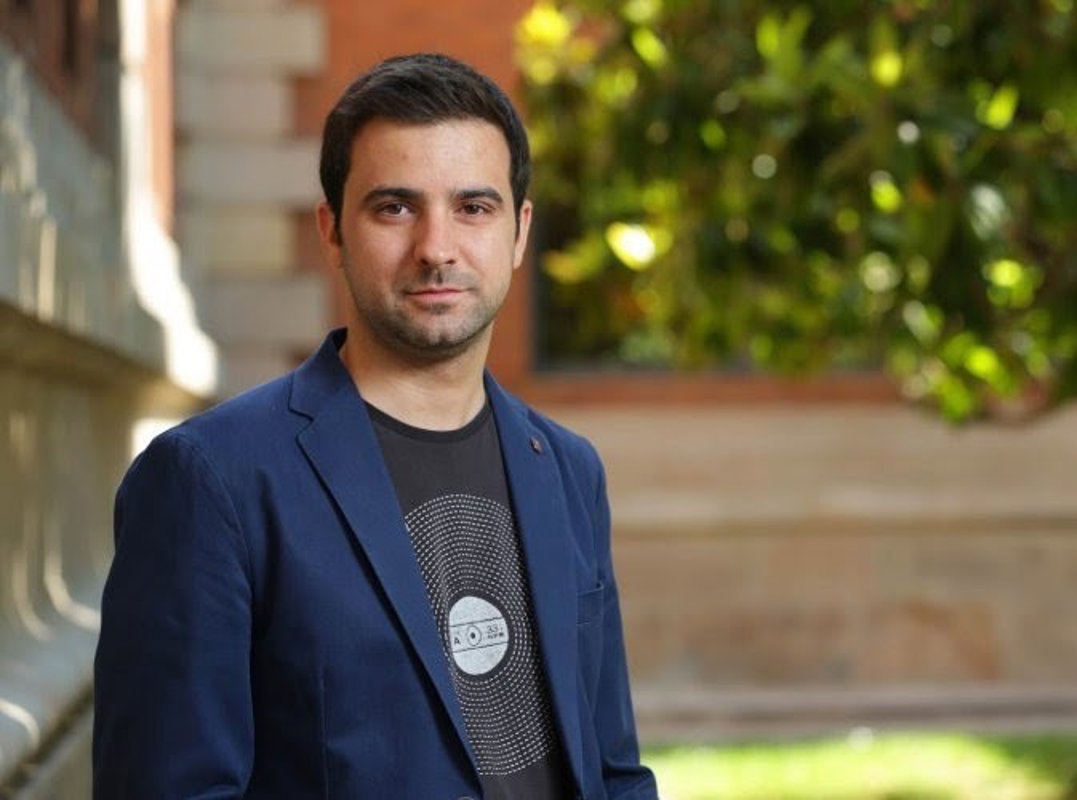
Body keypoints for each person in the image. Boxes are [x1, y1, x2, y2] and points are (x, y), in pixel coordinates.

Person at [93, 52, 658, 800]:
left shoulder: (567, 469)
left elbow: (614, 772)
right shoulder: (213, 481)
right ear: (332, 230)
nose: (436, 248)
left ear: (520, 231)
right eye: (394, 208)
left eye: (474, 207)